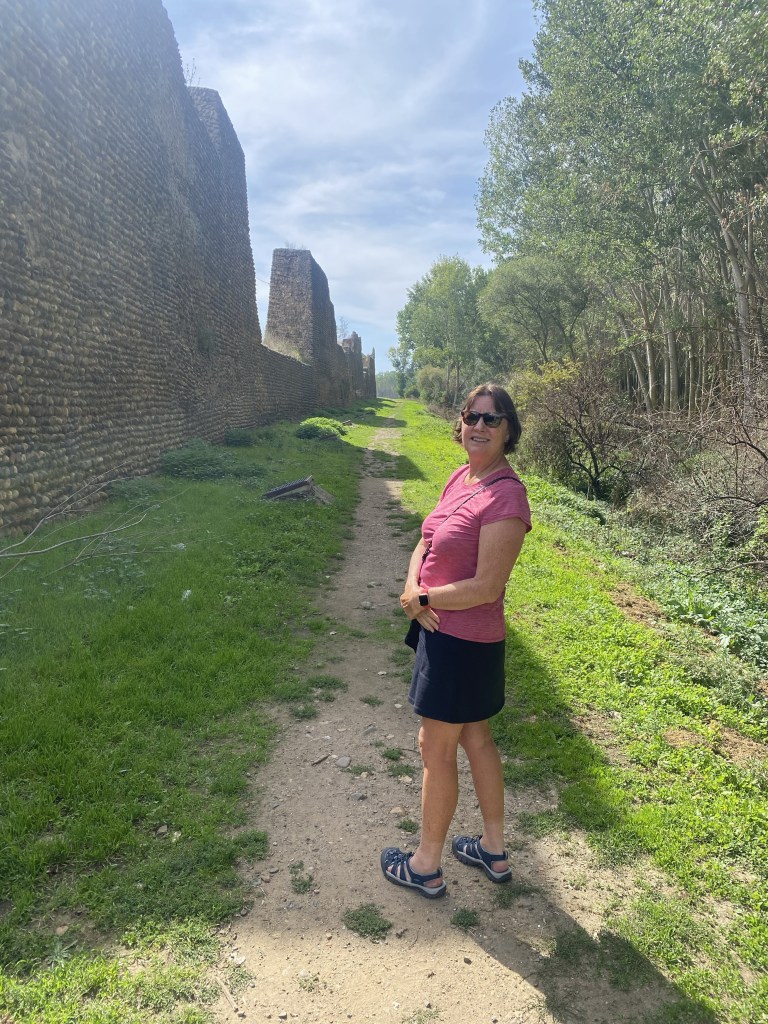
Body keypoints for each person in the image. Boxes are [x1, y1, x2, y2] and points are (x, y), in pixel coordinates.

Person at [381, 383, 531, 898]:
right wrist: (411, 587)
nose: (479, 427)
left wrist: (423, 599)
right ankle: (493, 849)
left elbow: (487, 586)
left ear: (508, 431)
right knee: (475, 737)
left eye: (492, 419)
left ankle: (425, 865)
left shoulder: (506, 496)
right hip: (443, 630)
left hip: (463, 642)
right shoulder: (461, 477)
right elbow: (426, 539)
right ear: (461, 423)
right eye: (472, 417)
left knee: (436, 747)